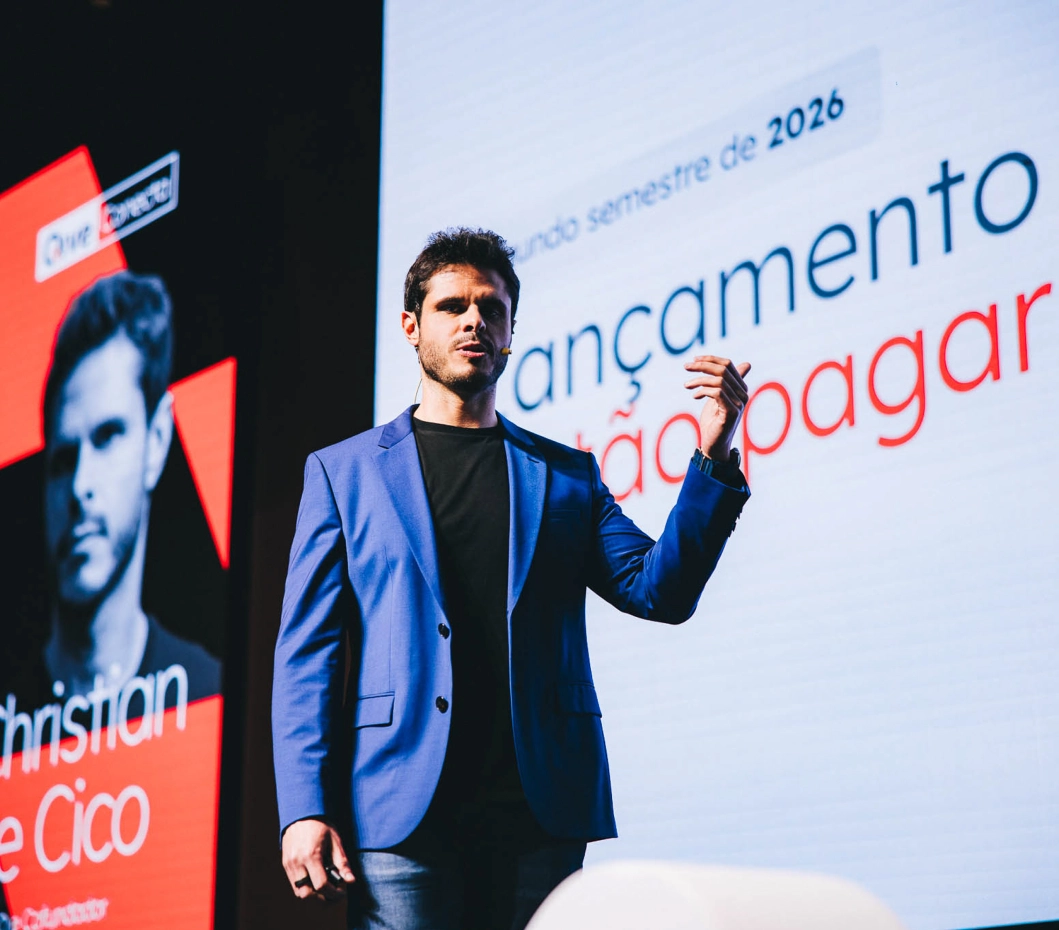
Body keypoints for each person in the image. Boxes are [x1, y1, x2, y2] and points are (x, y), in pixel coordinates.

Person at [272, 228, 752, 930]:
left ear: (509, 333)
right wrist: (304, 809)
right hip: (398, 812)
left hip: (537, 816)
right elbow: (307, 655)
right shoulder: (343, 473)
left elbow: (660, 591)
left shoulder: (565, 476)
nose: (473, 321)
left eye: (490, 309)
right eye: (451, 306)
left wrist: (713, 452)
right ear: (410, 326)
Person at [38, 271, 221, 705]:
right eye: (63, 458)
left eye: (107, 437)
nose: (79, 486)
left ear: (156, 441)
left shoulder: (207, 691)